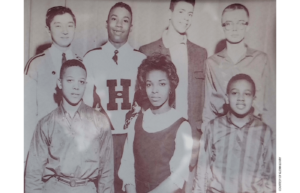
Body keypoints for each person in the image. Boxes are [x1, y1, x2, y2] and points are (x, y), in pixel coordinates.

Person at [135, 0, 207, 190]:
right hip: (158, 143)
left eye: (190, 14)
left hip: (190, 139)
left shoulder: (200, 54)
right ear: (170, 13)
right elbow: (143, 101)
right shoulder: (147, 51)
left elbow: (203, 104)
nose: (186, 18)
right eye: (181, 11)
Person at [25, 59, 114, 193]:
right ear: (60, 83)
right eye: (70, 80)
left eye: (81, 82)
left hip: (87, 188)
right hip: (54, 188)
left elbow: (107, 173)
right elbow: (33, 174)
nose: (76, 87)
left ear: (86, 85)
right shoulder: (46, 124)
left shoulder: (100, 121)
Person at [118, 54, 193, 193]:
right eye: (149, 84)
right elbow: (127, 165)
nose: (154, 90)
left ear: (171, 87)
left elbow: (178, 177)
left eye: (162, 83)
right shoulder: (136, 122)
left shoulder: (182, 126)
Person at [202, 3, 277, 139]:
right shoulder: (211, 63)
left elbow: (270, 108)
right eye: (229, 24)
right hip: (222, 135)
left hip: (254, 134)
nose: (235, 29)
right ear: (222, 27)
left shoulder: (261, 60)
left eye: (240, 23)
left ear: (247, 26)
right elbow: (208, 110)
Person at [193, 74, 276, 193]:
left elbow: (270, 177)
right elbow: (202, 170)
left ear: (254, 98)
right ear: (227, 98)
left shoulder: (264, 132)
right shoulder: (213, 128)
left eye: (247, 94)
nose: (240, 98)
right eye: (235, 93)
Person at [23, 6, 81, 171]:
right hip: (42, 150)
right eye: (58, 25)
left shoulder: (82, 64)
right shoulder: (35, 64)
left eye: (69, 25)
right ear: (48, 29)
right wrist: (25, 158)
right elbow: (25, 115)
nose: (65, 31)